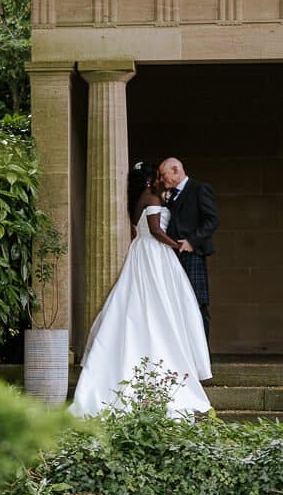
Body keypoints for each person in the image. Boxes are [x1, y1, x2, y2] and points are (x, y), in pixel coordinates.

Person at [70, 162, 212, 418]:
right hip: (154, 253)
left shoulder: (141, 198)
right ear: (149, 179)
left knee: (140, 302)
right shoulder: (152, 196)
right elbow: (156, 230)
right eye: (156, 175)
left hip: (142, 251)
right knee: (158, 303)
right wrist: (176, 245)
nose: (160, 178)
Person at [158, 157, 219, 342]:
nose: (161, 179)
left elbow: (212, 220)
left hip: (192, 255)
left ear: (176, 170)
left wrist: (192, 241)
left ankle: (203, 354)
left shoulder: (199, 189)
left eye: (163, 175)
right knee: (178, 304)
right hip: (174, 256)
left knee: (197, 303)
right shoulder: (171, 194)